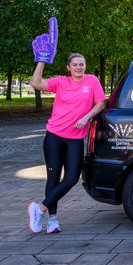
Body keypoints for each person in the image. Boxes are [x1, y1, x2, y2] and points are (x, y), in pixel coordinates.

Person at [27, 17, 106, 234]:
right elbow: (36, 83)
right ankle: (52, 220)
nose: (79, 67)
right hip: (54, 136)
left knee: (71, 178)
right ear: (68, 67)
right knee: (53, 177)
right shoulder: (61, 81)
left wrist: (87, 117)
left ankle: (39, 208)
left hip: (74, 138)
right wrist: (42, 59)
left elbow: (101, 103)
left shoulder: (92, 81)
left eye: (82, 64)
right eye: (75, 65)